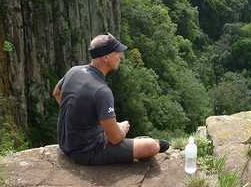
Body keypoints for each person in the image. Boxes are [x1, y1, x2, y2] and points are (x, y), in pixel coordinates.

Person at [53, 33, 168, 165]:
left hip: (65, 142)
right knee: (151, 146)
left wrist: (78, 117)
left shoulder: (74, 71)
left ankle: (133, 139)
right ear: (106, 57)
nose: (121, 56)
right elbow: (114, 139)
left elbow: (56, 92)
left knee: (113, 130)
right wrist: (122, 128)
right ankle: (145, 141)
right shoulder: (102, 90)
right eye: (117, 52)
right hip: (87, 151)